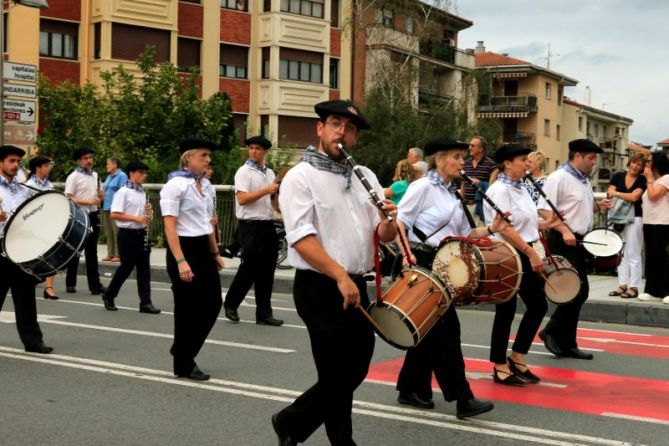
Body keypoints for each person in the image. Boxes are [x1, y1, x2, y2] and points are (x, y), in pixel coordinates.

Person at [272, 100, 398, 446]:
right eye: (336, 124)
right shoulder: (300, 176)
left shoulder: (364, 176)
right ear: (320, 129)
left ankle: (291, 421)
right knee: (334, 372)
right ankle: (342, 441)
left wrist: (389, 220)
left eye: (350, 128)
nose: (342, 132)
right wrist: (339, 275)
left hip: (354, 283)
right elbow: (300, 238)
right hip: (320, 285)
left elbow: (380, 233)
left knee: (355, 367)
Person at [394, 137, 507, 419]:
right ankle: (463, 398)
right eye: (457, 157)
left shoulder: (453, 193)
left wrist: (493, 228)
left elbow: (464, 235)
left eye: (463, 157)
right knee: (446, 332)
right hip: (420, 260)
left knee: (429, 330)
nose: (462, 162)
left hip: (443, 262)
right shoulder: (422, 187)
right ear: (440, 160)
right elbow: (399, 222)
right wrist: (407, 258)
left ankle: (410, 388)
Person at [483, 145, 560, 386]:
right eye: (522, 159)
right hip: (507, 253)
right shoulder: (499, 190)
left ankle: (517, 356)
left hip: (524, 249)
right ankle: (499, 364)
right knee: (505, 310)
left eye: (527, 159)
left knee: (537, 305)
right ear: (507, 163)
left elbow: (524, 221)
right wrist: (530, 253)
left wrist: (546, 224)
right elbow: (504, 228)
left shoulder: (521, 188)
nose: (527, 163)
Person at [537, 139, 612, 360]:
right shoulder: (558, 178)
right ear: (577, 156)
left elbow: (578, 208)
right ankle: (553, 332)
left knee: (578, 292)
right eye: (591, 158)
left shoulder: (583, 180)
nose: (594, 162)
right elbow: (543, 210)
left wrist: (598, 206)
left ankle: (567, 342)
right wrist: (564, 230)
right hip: (563, 240)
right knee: (578, 291)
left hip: (580, 241)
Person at [160, 138, 225, 380]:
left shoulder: (206, 186)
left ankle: (182, 349)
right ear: (189, 158)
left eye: (209, 156)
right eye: (204, 155)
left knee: (212, 304)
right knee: (186, 309)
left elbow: (207, 224)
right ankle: (184, 363)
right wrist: (180, 260)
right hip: (182, 248)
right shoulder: (175, 185)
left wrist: (215, 252)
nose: (208, 160)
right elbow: (170, 226)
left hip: (202, 249)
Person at [223, 135, 283, 327]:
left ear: (265, 151)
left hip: (267, 225)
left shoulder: (269, 172)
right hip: (249, 226)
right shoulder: (244, 172)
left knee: (267, 271)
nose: (254, 151)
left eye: (258, 148)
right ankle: (231, 304)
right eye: (251, 148)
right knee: (248, 269)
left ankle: (264, 314)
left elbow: (273, 200)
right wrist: (266, 190)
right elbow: (242, 199)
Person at [0, 145, 53, 354]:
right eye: (11, 161)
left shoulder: (23, 189)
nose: (15, 166)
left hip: (21, 247)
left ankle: (33, 341)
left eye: (18, 162)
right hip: (0, 247)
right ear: (1, 163)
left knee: (26, 295)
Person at [101, 161, 161, 314]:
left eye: (145, 173)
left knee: (144, 270)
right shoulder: (123, 191)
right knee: (126, 268)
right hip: (127, 235)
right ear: (131, 173)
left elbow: (144, 216)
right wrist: (137, 219)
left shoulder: (142, 192)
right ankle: (109, 294)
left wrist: (149, 213)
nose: (144, 175)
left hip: (141, 234)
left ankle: (145, 303)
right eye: (141, 172)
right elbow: (115, 214)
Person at [64, 148, 106, 295]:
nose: (89, 161)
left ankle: (95, 285)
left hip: (93, 215)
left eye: (90, 158)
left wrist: (101, 196)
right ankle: (70, 283)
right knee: (76, 250)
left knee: (92, 251)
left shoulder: (96, 175)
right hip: (79, 215)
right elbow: (68, 197)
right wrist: (87, 201)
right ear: (78, 161)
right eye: (85, 158)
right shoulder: (73, 176)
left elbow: (100, 194)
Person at [607, 153, 647, 299]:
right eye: (634, 162)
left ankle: (634, 286)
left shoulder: (642, 180)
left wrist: (616, 193)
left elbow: (634, 197)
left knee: (634, 252)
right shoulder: (618, 175)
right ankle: (622, 284)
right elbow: (609, 194)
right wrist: (622, 195)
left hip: (635, 218)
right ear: (630, 162)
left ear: (642, 168)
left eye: (640, 165)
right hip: (618, 218)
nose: (636, 166)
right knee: (620, 251)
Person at [25, 156, 60, 300]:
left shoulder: (49, 185)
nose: (48, 168)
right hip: (33, 226)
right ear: (37, 168)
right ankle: (30, 280)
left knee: (50, 255)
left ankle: (49, 288)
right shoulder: (28, 186)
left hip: (48, 224)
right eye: (46, 166)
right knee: (32, 256)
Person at [638, 151, 669, 303]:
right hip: (649, 223)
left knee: (661, 257)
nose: (646, 164)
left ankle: (666, 291)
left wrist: (649, 179)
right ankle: (651, 290)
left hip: (662, 223)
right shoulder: (653, 181)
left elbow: (653, 196)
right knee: (650, 257)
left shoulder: (666, 179)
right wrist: (650, 180)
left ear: (657, 163)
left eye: (649, 161)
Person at [461, 135, 496, 226]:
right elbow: (463, 183)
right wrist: (461, 201)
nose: (469, 148)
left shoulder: (491, 165)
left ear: (480, 149)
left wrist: (481, 183)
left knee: (480, 235)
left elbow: (495, 186)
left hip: (480, 206)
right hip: (466, 205)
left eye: (472, 146)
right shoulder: (466, 163)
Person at [101, 157, 127, 262]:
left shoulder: (122, 176)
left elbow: (124, 192)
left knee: (117, 232)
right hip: (106, 207)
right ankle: (110, 254)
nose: (106, 166)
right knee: (109, 232)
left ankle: (118, 254)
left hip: (116, 208)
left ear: (115, 165)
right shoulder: (109, 176)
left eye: (108, 164)